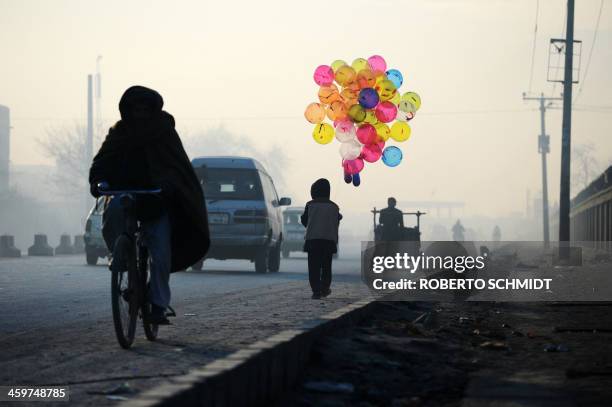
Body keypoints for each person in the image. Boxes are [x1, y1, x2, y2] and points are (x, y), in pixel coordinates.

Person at [89, 86, 210, 324]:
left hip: (156, 199)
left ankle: (158, 304)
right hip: (124, 193)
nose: (141, 114)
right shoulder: (119, 133)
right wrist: (99, 181)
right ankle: (119, 253)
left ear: (153, 110)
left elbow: (177, 168)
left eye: (145, 109)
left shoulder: (164, 132)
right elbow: (102, 162)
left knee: (160, 252)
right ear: (128, 110)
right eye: (136, 109)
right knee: (112, 214)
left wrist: (168, 185)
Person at [301, 178, 342, 299]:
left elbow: (304, 221)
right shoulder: (334, 207)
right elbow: (337, 220)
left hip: (313, 240)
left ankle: (316, 291)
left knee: (313, 267)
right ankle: (325, 288)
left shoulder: (310, 205)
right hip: (329, 241)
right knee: (326, 266)